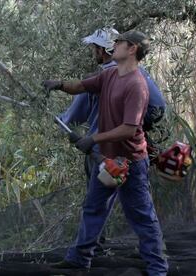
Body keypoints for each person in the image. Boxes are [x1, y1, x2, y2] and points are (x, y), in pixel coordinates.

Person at [44, 31, 168, 275]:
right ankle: (80, 258)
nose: (115, 45)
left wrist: (93, 138)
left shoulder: (136, 85)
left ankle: (158, 268)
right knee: (93, 208)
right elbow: (80, 86)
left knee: (141, 216)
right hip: (109, 161)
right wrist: (58, 84)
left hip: (130, 163)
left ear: (131, 49)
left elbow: (129, 129)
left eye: (119, 42)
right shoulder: (110, 75)